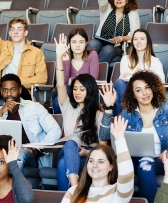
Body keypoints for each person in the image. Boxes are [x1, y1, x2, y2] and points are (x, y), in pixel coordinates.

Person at [0, 74, 62, 185]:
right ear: (1, 92)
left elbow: (55, 130)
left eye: (13, 89)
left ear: (20, 90)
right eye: (5, 90)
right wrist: (0, 114)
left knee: (17, 156)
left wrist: (36, 148)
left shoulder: (35, 108)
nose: (9, 94)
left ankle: (9, 197)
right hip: (0, 152)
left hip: (26, 153)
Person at [54, 33, 117, 191]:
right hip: (68, 151)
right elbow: (61, 85)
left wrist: (86, 153)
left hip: (88, 157)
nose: (77, 92)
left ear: (89, 91)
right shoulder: (68, 107)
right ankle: (75, 189)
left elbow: (102, 146)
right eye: (75, 89)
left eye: (82, 89)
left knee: (63, 165)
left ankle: (69, 198)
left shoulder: (98, 114)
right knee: (70, 144)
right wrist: (59, 57)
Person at [121, 71, 168, 203]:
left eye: (147, 87)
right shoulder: (127, 114)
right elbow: (113, 139)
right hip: (133, 159)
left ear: (153, 88)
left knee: (145, 164)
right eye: (138, 90)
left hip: (161, 160)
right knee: (116, 165)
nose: (144, 93)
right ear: (133, 95)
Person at [0, 0, 47, 111]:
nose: (16, 32)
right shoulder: (4, 47)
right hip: (2, 89)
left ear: (25, 32)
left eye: (19, 29)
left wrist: (16, 82)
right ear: (9, 33)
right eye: (13, 29)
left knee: (19, 89)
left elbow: (42, 78)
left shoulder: (36, 52)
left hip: (20, 90)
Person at [61, 116, 134, 203]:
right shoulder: (73, 191)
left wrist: (119, 138)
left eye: (101, 161)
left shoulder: (117, 192)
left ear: (111, 166)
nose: (94, 165)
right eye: (91, 161)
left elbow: (127, 176)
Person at [113, 29, 165, 116]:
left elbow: (161, 80)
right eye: (135, 39)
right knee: (118, 87)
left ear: (147, 42)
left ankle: (126, 116)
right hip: (128, 91)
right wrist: (146, 76)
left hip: (144, 93)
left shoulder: (155, 61)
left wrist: (133, 75)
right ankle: (130, 114)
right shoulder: (125, 59)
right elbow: (122, 78)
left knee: (116, 96)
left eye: (142, 39)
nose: (138, 42)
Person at [52, 29, 99, 114]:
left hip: (84, 93)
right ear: (69, 44)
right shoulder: (65, 56)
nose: (77, 45)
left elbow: (92, 79)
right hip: (66, 93)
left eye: (81, 42)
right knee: (63, 90)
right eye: (74, 42)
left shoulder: (92, 55)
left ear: (86, 44)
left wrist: (73, 79)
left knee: (56, 101)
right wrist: (66, 62)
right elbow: (64, 82)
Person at [0, 135, 34, 203]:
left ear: (9, 165)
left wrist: (13, 164)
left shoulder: (19, 185)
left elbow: (28, 199)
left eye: (1, 162)